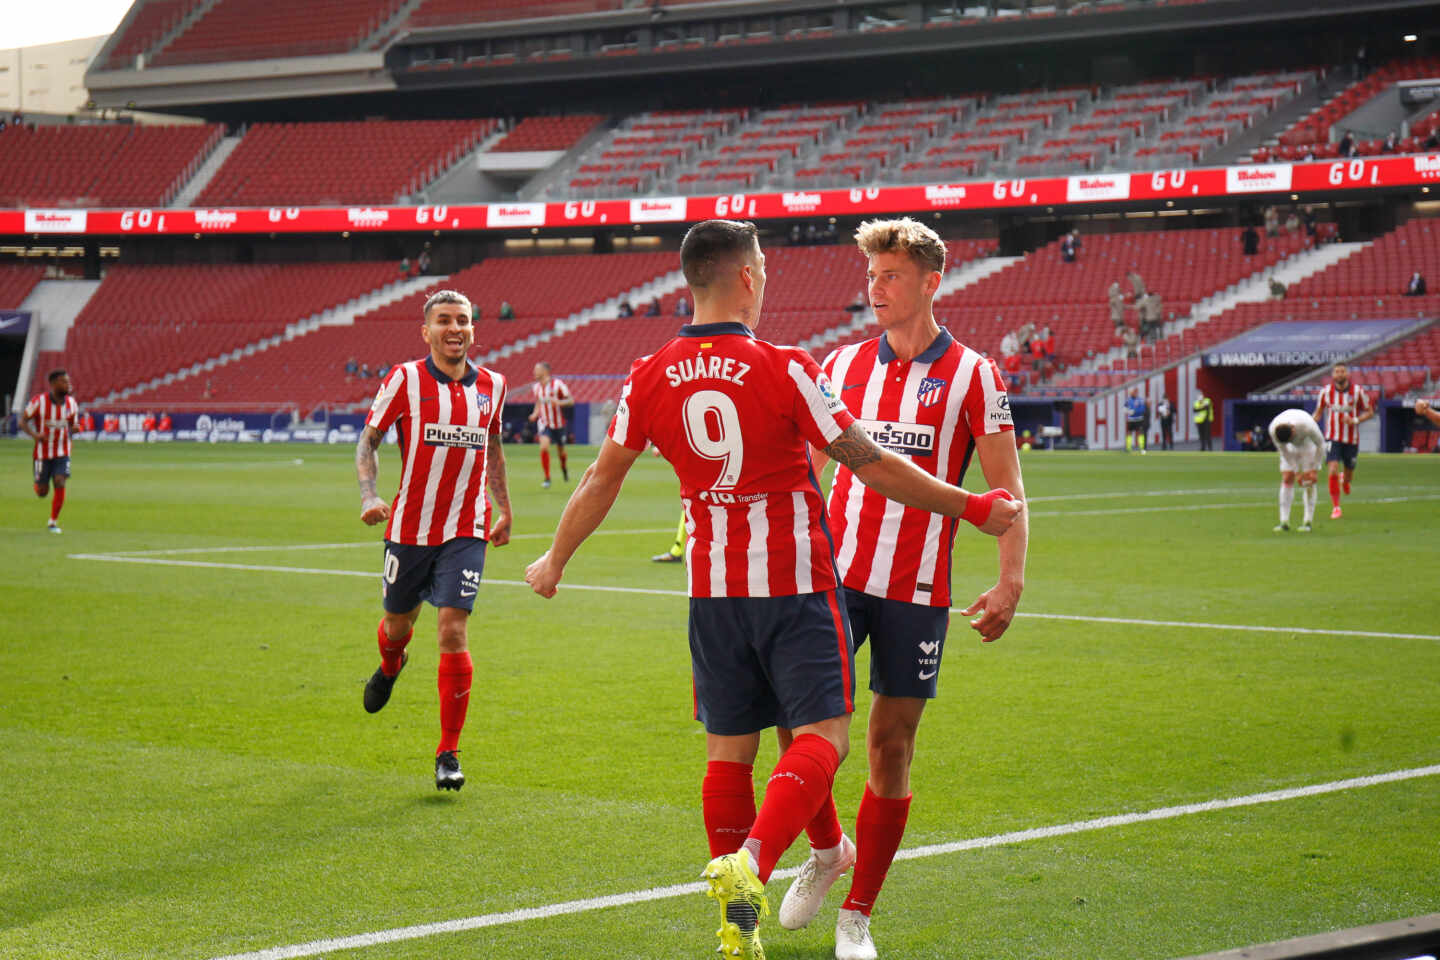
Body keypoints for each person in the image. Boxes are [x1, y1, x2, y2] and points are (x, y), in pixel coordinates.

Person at [523, 220, 1021, 960]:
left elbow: (602, 477)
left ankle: (764, 922)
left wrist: (555, 559)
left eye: (889, 276)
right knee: (820, 737)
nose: (875, 287)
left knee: (734, 753)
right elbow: (867, 461)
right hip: (801, 585)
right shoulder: (791, 366)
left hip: (721, 594)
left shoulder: (646, 372)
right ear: (748, 278)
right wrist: (973, 507)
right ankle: (761, 863)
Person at [780, 217, 1029, 960]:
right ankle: (828, 851)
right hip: (834, 577)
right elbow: (811, 471)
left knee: (890, 747)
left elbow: (1007, 492)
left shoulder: (976, 376)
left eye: (890, 276)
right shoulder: (842, 364)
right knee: (799, 731)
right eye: (871, 276)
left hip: (916, 589)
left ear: (930, 281)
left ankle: (857, 915)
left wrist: (1010, 580)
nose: (875, 289)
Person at [354, 289, 512, 792]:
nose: (454, 328)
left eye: (462, 320)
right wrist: (368, 494)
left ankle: (448, 752)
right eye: (443, 320)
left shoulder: (494, 385)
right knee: (398, 625)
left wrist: (503, 506)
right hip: (409, 528)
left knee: (451, 630)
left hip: (466, 527)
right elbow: (369, 439)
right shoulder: (404, 379)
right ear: (426, 331)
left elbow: (493, 447)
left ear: (473, 328)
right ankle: (390, 663)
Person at [21, 369, 80, 534]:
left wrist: (75, 428)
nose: (68, 384)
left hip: (63, 451)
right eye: (64, 382)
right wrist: (34, 435)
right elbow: (23, 421)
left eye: (68, 381)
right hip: (42, 453)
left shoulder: (72, 404)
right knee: (42, 492)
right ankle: (39, 483)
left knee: (60, 481)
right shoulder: (39, 401)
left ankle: (53, 522)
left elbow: (73, 425)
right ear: (54, 384)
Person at [1313, 362, 1373, 520]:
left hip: (1351, 439)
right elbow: (1318, 413)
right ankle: (1336, 507)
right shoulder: (1325, 393)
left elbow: (1369, 412)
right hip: (1332, 437)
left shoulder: (1358, 391)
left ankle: (1345, 480)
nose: (1339, 374)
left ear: (1347, 374)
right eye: (1336, 372)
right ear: (1332, 375)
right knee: (1332, 468)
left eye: (1342, 371)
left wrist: (1355, 420)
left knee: (1348, 475)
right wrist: (1309, 426)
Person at [1267, 409, 1325, 532]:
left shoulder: (1307, 426)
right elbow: (1284, 452)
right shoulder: (1273, 430)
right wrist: (1296, 472)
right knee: (1287, 477)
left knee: (1308, 481)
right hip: (1289, 449)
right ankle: (1284, 522)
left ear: (1293, 430)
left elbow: (1321, 445)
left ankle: (1307, 521)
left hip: (1308, 445)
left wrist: (1315, 469)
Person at [528, 361, 573, 488]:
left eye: (537, 370)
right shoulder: (536, 387)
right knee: (544, 447)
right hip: (544, 422)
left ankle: (564, 468)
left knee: (561, 452)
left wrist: (558, 402)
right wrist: (534, 414)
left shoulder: (557, 384)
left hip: (558, 424)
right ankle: (547, 478)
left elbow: (570, 400)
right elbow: (538, 403)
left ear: (545, 371)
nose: (534, 372)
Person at [1124, 388, 1148, 454]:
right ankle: (1128, 448)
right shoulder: (1128, 400)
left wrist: (1134, 412)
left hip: (1139, 419)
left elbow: (1142, 409)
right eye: (1131, 392)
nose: (1132, 393)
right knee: (1129, 433)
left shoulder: (1140, 400)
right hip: (1131, 420)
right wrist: (1128, 411)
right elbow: (1124, 409)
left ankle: (1141, 448)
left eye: (1133, 392)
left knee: (1140, 433)